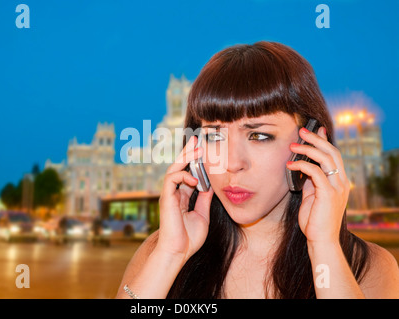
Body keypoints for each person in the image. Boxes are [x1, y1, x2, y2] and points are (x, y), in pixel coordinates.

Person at [116, 42, 399, 299]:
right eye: (214, 136)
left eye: (259, 136)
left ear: (309, 141)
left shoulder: (367, 268)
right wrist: (169, 255)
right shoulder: (160, 251)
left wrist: (323, 247)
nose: (232, 163)